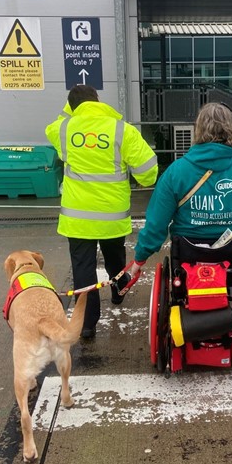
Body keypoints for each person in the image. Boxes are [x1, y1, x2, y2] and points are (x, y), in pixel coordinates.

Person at [45, 85, 158, 342]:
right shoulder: (121, 130)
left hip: (78, 218)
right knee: (115, 259)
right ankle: (118, 290)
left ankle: (86, 325)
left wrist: (71, 109)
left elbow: (54, 125)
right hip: (111, 215)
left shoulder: (63, 129)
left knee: (82, 270)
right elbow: (148, 171)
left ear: (71, 107)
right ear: (98, 101)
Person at [131, 102, 232, 286]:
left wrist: (139, 259)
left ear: (198, 129)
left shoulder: (176, 171)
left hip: (188, 255)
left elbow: (156, 223)